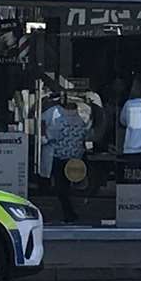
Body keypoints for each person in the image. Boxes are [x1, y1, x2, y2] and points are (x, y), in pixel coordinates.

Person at [41, 95, 86, 223]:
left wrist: (44, 137)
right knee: (65, 186)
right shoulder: (82, 114)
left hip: (58, 156)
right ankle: (69, 213)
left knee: (61, 187)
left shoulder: (54, 112)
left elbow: (45, 129)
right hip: (74, 157)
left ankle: (68, 213)